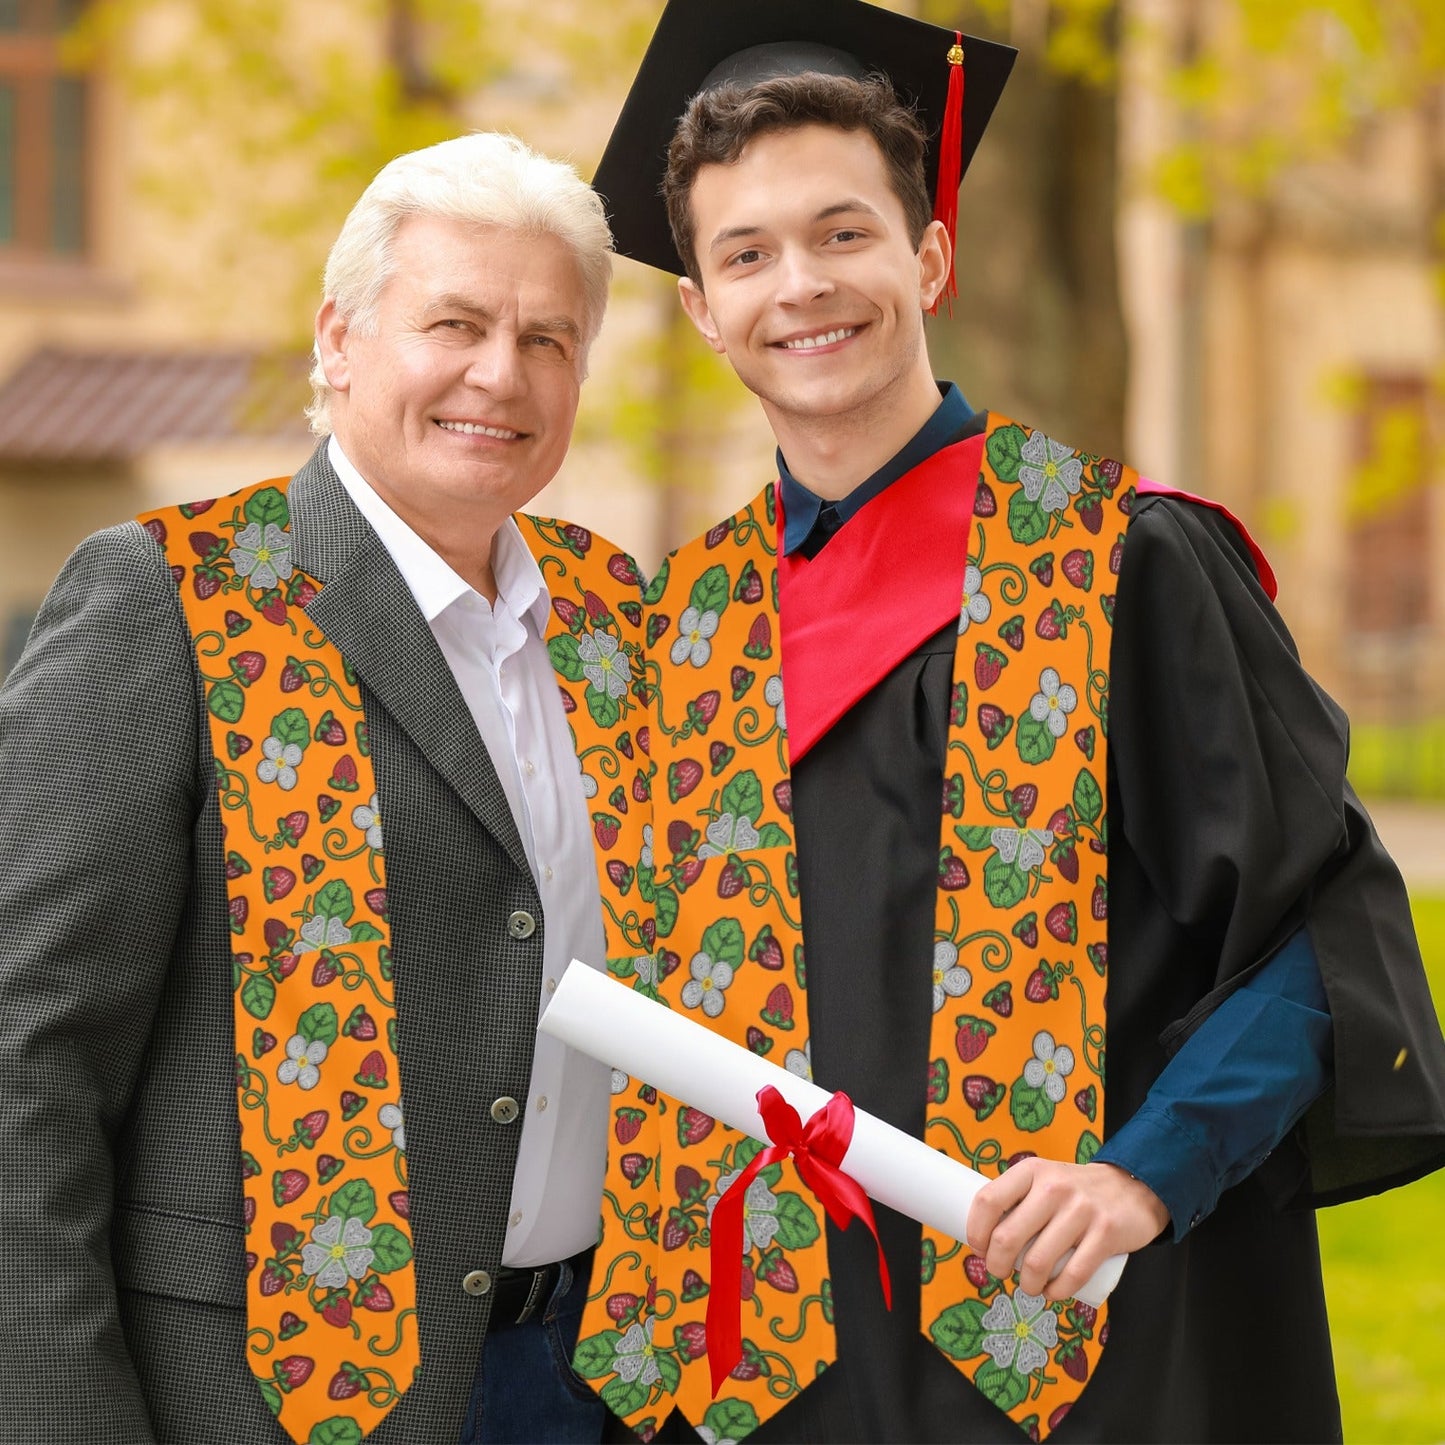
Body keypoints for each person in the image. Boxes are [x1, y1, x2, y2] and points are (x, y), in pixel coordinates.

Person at [570, 2, 1445, 1441]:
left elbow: (1317, 931)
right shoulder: (686, 623)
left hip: (1082, 1348)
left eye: (842, 233)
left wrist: (1144, 1172)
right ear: (701, 307)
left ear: (928, 254)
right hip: (776, 1374)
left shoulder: (1124, 561)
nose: (800, 285)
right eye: (746, 253)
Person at [0, 132, 651, 1445]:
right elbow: (28, 1056)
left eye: (546, 338)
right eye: (454, 322)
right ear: (339, 339)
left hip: (591, 1381)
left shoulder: (612, 617)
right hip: (262, 1395)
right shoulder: (176, 594)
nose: (498, 373)